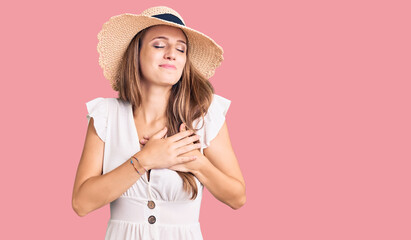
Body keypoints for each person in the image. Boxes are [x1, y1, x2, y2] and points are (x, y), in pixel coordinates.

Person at [72, 6, 246, 240]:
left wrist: (196, 163)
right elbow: (81, 203)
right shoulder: (105, 116)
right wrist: (144, 160)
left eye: (181, 49)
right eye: (159, 45)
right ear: (136, 52)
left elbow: (237, 198)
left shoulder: (204, 115)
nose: (172, 54)